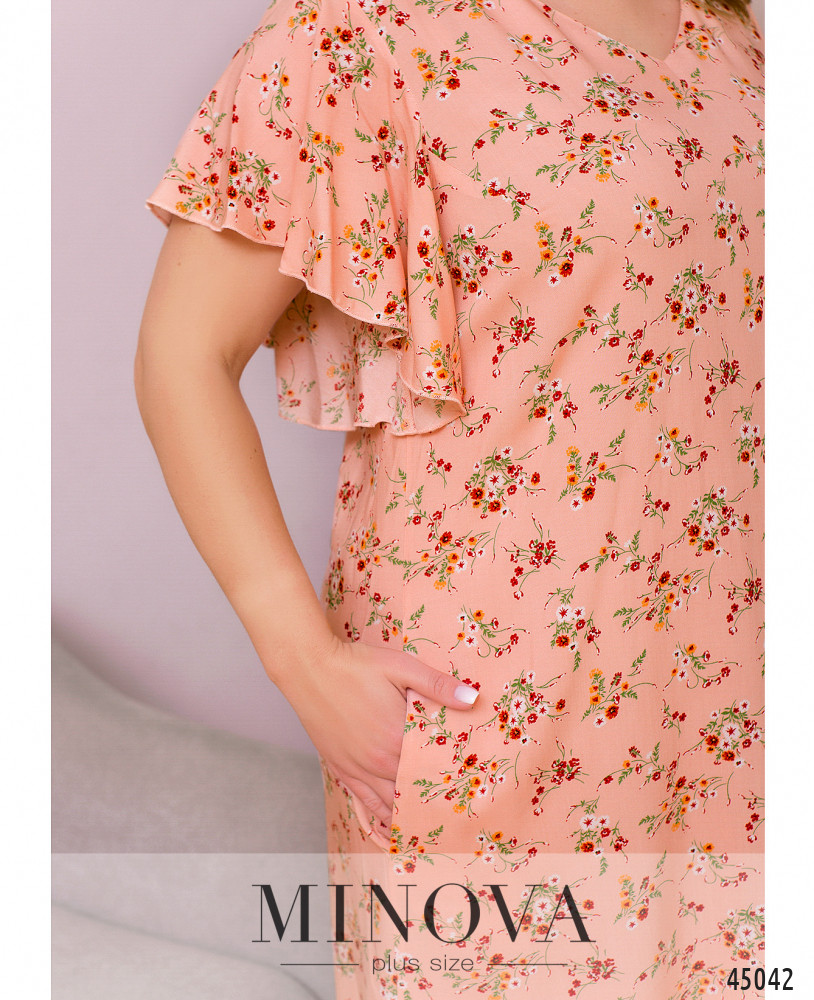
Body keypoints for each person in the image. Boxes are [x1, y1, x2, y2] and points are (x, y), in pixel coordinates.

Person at [137, 0, 765, 996]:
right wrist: (304, 662)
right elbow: (183, 356)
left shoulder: (733, 35)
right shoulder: (358, 34)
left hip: (737, 716)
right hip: (502, 708)